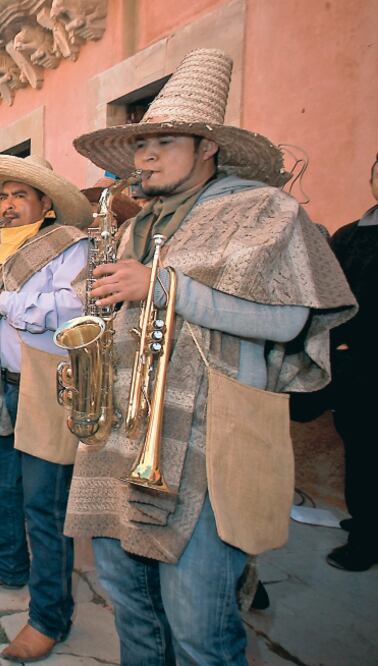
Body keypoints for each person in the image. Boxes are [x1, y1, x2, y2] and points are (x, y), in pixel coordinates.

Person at [66, 49, 356, 664]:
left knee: (200, 628)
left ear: (207, 147)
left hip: (207, 447)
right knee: (131, 605)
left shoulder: (266, 210)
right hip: (120, 436)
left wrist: (161, 286)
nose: (144, 158)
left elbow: (289, 320)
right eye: (140, 145)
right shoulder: (134, 224)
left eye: (163, 142)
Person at [0, 155, 91, 661]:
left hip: (46, 386)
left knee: (44, 505)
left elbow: (74, 310)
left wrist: (3, 304)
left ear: (45, 203)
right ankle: (8, 566)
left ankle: (49, 618)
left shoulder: (70, 245)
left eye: (20, 196)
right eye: (4, 197)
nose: (9, 205)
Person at [326, 152, 378, 571]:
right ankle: (366, 527)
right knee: (362, 450)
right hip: (357, 366)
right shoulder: (349, 235)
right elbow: (330, 298)